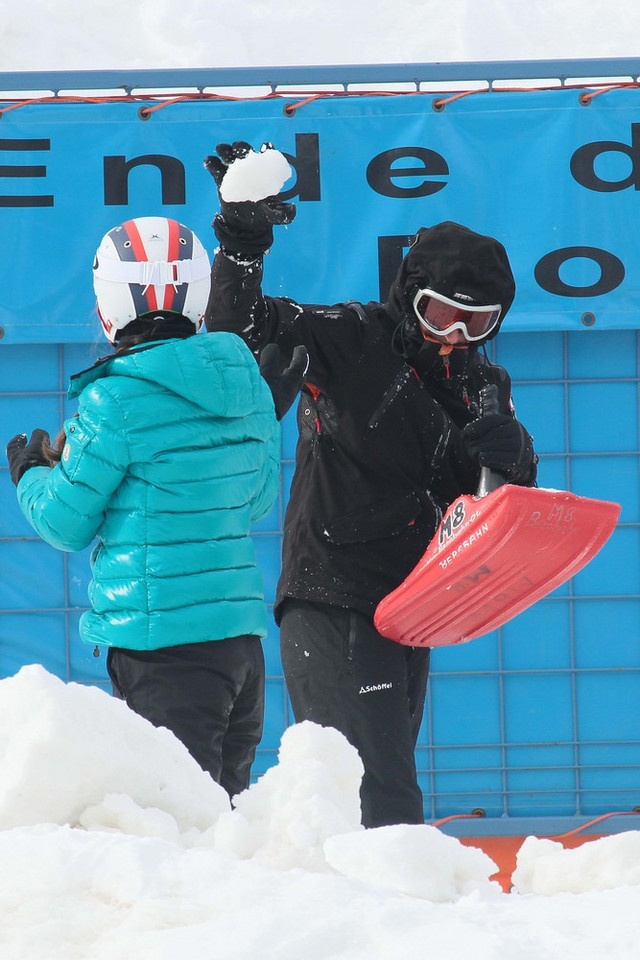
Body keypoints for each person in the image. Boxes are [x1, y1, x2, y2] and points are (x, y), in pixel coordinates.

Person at [202, 142, 538, 828]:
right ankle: (386, 922)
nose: (455, 337)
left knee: (368, 790)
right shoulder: (352, 339)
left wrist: (517, 457)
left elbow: (495, 511)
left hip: (415, 608)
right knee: (377, 795)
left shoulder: (481, 385)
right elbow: (236, 327)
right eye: (441, 314)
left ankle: (361, 920)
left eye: (478, 323)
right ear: (409, 297)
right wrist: (242, 239)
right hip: (334, 595)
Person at [6, 215, 305, 800]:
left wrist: (31, 474)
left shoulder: (111, 399)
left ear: (107, 307)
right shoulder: (245, 383)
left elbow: (65, 524)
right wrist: (263, 420)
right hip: (240, 645)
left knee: (175, 828)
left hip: (159, 647)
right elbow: (257, 501)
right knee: (227, 824)